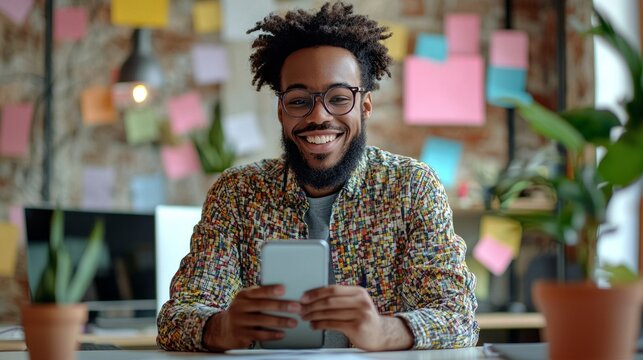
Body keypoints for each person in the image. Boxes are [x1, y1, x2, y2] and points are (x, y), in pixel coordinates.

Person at [157, 1, 478, 352]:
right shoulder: (237, 193)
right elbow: (176, 317)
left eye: (339, 98)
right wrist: (221, 327)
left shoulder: (412, 188)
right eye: (298, 101)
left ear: (365, 106)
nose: (319, 117)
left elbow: (458, 316)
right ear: (281, 110)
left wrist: (385, 331)